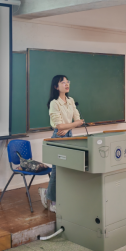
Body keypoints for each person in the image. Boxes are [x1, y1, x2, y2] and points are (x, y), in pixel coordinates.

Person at [38, 75, 85, 212]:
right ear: (56, 86)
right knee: (57, 170)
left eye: (67, 82)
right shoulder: (54, 103)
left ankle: (55, 194)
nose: (66, 84)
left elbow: (78, 120)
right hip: (58, 137)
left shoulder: (71, 100)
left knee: (68, 169)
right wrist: (73, 124)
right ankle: (52, 199)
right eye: (62, 82)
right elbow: (59, 126)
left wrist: (69, 127)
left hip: (69, 136)